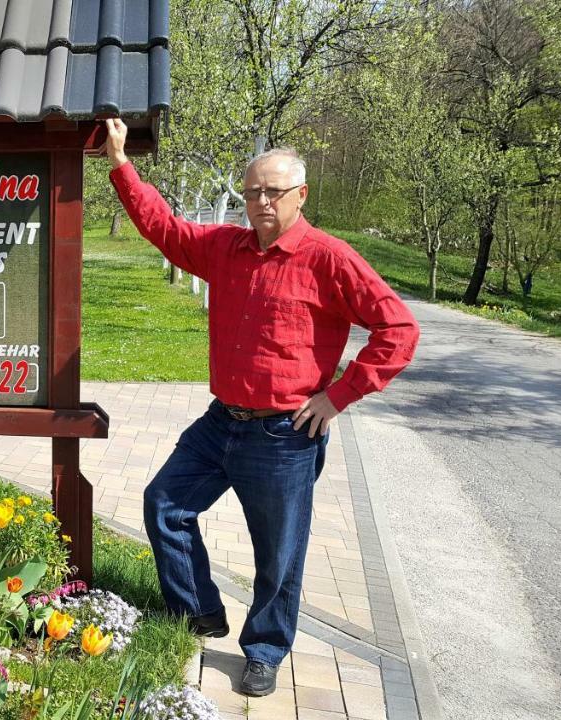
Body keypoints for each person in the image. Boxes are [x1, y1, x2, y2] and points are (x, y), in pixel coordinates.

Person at [104, 118, 419, 697]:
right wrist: (122, 164)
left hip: (285, 435)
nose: (261, 202)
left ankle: (265, 650)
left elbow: (398, 329)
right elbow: (165, 230)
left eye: (273, 192)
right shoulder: (226, 247)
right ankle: (199, 611)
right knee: (164, 506)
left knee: (278, 554)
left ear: (301, 194)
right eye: (252, 192)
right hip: (221, 420)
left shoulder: (330, 258)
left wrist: (338, 395)